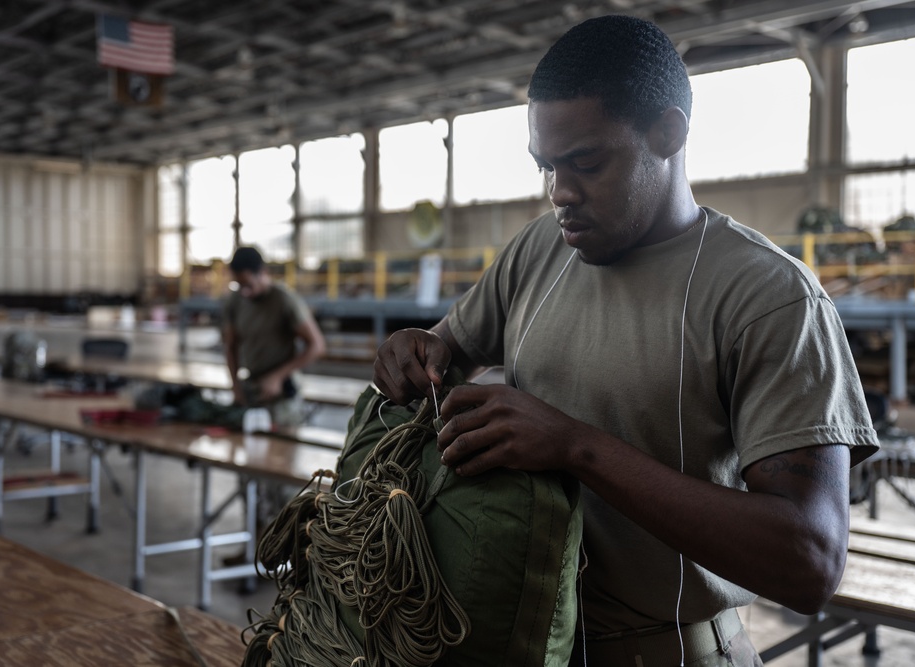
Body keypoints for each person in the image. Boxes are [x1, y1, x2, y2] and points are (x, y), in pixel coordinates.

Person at [372, 15, 879, 667]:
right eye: (547, 166)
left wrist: (576, 446)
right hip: (519, 645)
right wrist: (417, 351)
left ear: (668, 133)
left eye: (586, 162)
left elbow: (809, 562)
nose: (561, 192)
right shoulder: (539, 249)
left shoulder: (767, 296)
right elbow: (446, 345)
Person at [222, 245, 327, 426]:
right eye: (239, 286)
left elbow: (317, 346)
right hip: (252, 390)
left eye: (248, 285)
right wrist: (236, 386)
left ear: (263, 272)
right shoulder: (235, 301)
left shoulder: (284, 301)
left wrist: (277, 377)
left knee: (281, 450)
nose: (244, 292)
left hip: (282, 395)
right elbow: (231, 346)